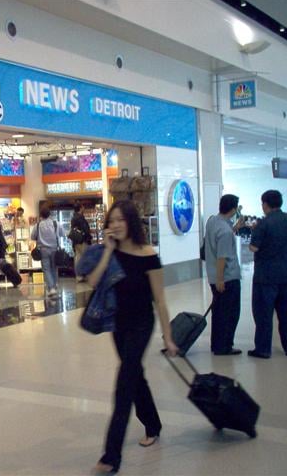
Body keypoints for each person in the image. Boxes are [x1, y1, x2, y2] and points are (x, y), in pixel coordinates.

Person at [76, 200, 178, 474]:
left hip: (142, 324)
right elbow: (93, 282)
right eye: (112, 220)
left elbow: (160, 299)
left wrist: (168, 337)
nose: (116, 225)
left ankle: (111, 456)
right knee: (135, 376)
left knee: (124, 385)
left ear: (131, 222)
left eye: (121, 219)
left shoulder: (148, 255)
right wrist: (108, 251)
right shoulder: (108, 253)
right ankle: (153, 424)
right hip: (118, 324)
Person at [248, 190, 287, 358]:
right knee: (285, 314)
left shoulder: (263, 223)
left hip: (266, 276)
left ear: (265, 204)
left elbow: (254, 247)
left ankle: (263, 349)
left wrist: (255, 231)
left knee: (263, 315)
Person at [204, 194, 244, 355]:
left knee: (219, 313)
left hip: (214, 276)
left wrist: (234, 228)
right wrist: (221, 279)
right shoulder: (226, 231)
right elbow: (222, 257)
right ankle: (225, 346)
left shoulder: (213, 221)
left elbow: (220, 238)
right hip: (227, 278)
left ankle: (217, 345)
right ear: (233, 209)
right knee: (230, 314)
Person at [31, 205, 65, 297]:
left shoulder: (37, 225)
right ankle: (54, 285)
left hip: (43, 250)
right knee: (54, 268)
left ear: (41, 215)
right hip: (54, 249)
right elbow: (62, 234)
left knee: (46, 269)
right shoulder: (56, 223)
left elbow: (33, 237)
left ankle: (51, 288)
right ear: (49, 214)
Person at [70, 203, 93, 282]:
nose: (84, 208)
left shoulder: (74, 217)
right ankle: (85, 275)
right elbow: (85, 230)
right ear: (80, 208)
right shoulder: (80, 218)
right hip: (82, 240)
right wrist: (89, 237)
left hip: (76, 241)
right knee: (86, 257)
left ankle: (79, 276)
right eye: (83, 207)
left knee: (78, 258)